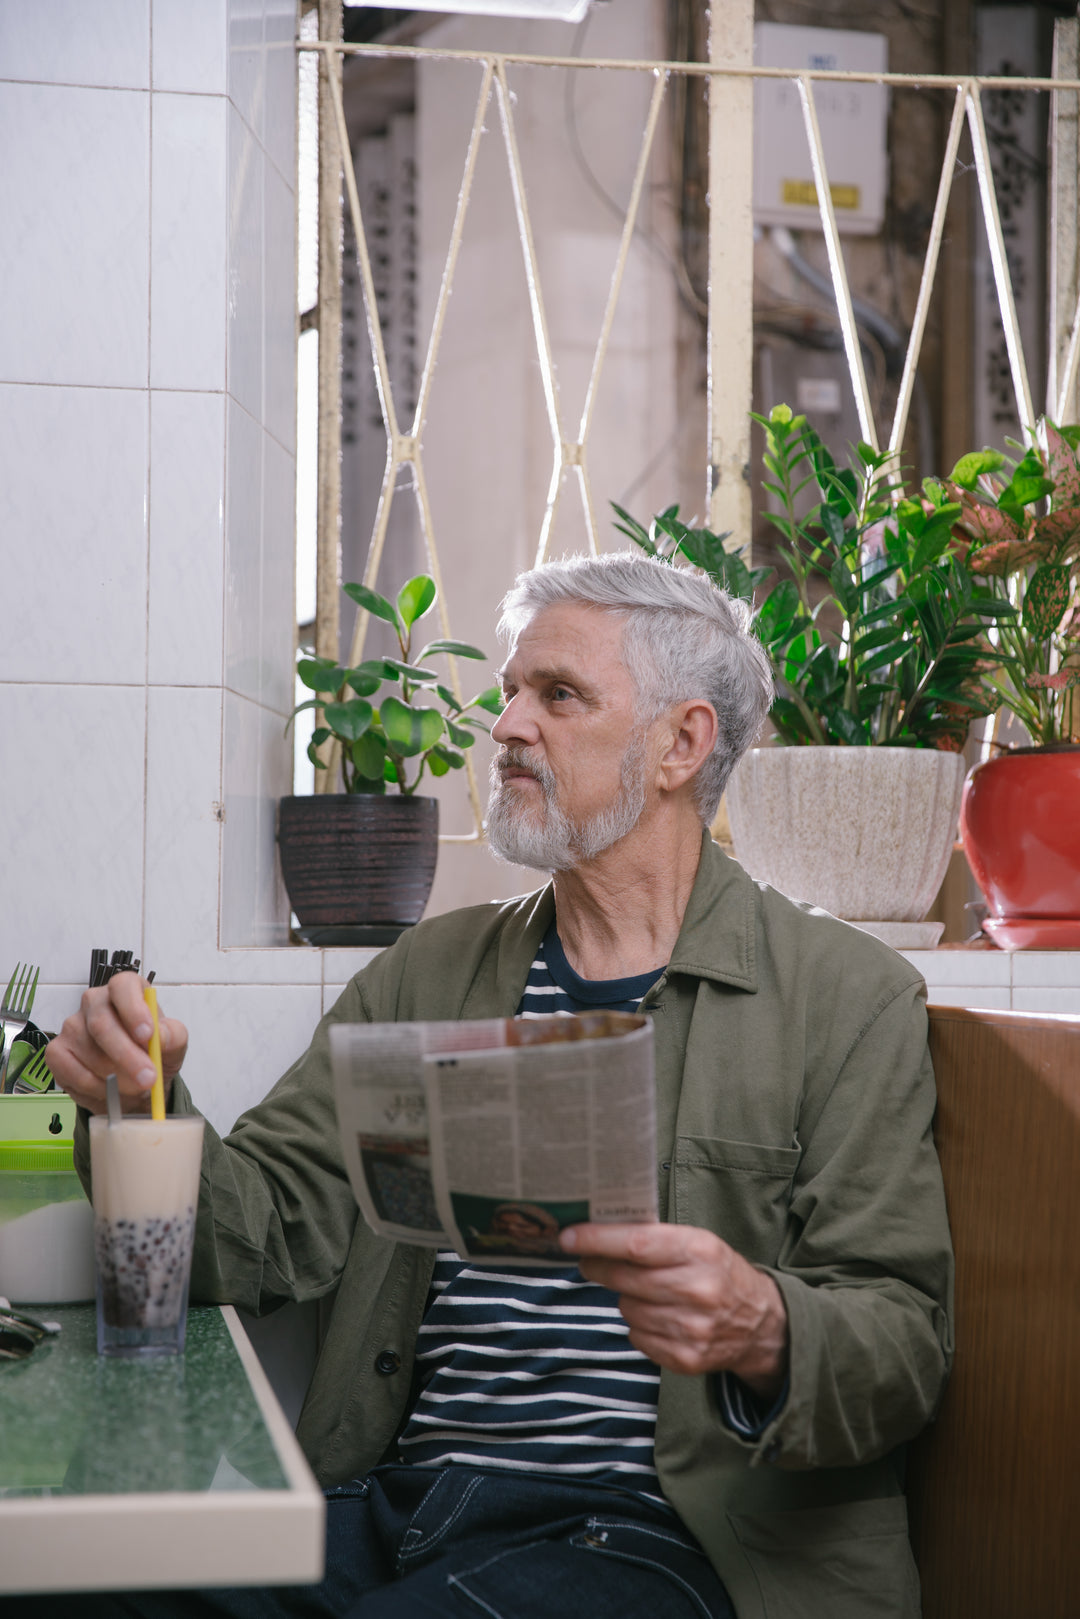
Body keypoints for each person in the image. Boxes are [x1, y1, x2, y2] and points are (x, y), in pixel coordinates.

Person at [43, 552, 953, 1619]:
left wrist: (763, 1324)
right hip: (400, 1504)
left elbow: (904, 1348)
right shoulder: (429, 973)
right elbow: (258, 1238)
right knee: (71, 1580)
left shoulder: (847, 998)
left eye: (558, 695)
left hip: (657, 1535)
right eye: (512, 690)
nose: (508, 724)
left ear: (681, 743)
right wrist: (138, 1103)